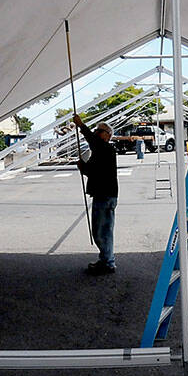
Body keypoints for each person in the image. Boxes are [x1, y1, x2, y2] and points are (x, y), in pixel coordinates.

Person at [72, 113, 118, 274]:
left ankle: (107, 262)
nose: (97, 133)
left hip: (105, 195)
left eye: (100, 131)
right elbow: (92, 172)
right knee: (100, 230)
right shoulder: (100, 151)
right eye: (96, 131)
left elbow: (93, 141)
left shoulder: (106, 148)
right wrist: (82, 167)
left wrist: (81, 125)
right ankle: (106, 259)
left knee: (102, 230)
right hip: (102, 194)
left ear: (107, 136)